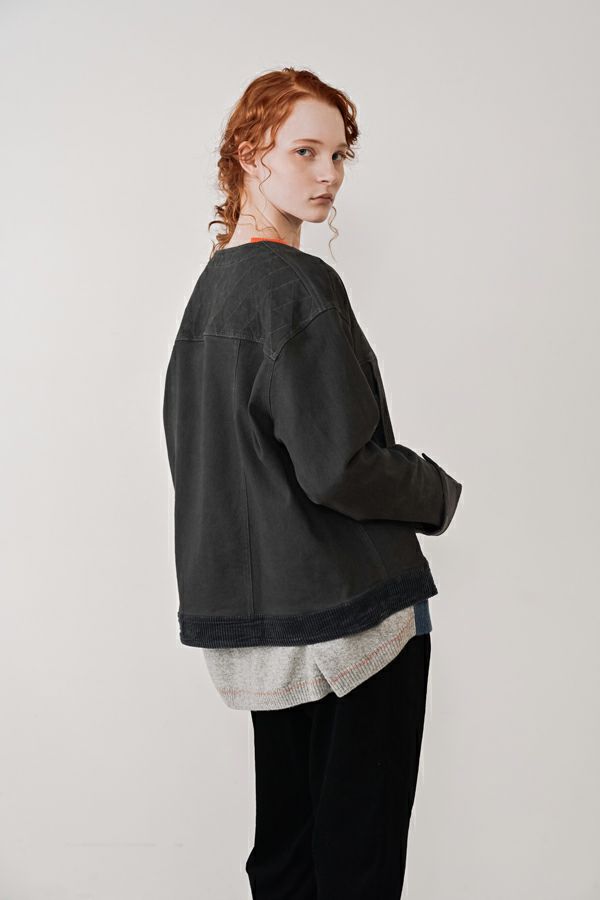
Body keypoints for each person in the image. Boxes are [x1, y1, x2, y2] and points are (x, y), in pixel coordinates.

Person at [162, 67, 463, 899]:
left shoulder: (210, 295)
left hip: (262, 624)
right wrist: (436, 492)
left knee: (288, 857)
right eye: (305, 151)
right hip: (353, 620)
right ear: (249, 154)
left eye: (339, 155)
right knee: (358, 863)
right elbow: (341, 465)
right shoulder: (296, 286)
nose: (328, 174)